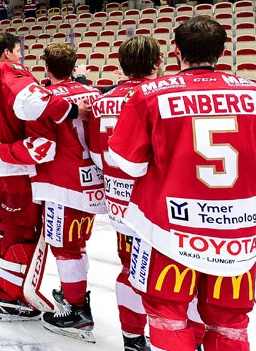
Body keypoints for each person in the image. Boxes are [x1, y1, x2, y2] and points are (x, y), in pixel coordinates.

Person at [107, 15, 256, 351]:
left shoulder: (149, 95)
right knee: (229, 321)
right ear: (222, 50)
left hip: (169, 227)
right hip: (237, 227)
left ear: (175, 51)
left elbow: (125, 163)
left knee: (167, 312)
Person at [0, 32, 80, 320]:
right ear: (7, 53)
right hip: (8, 171)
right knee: (21, 229)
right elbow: (34, 101)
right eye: (17, 50)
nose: (20, 56)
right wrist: (72, 109)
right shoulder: (11, 73)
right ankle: (11, 297)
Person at [90, 36, 165, 351]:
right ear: (158, 63)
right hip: (156, 202)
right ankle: (176, 338)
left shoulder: (100, 101)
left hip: (119, 200)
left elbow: (96, 153)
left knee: (129, 266)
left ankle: (133, 337)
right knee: (172, 272)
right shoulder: (163, 96)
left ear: (120, 67)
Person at [28, 42, 103, 341]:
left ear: (46, 67)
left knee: (65, 248)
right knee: (78, 243)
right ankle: (76, 293)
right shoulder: (95, 94)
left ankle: (77, 311)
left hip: (62, 184)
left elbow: (40, 149)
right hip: (92, 181)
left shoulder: (46, 99)